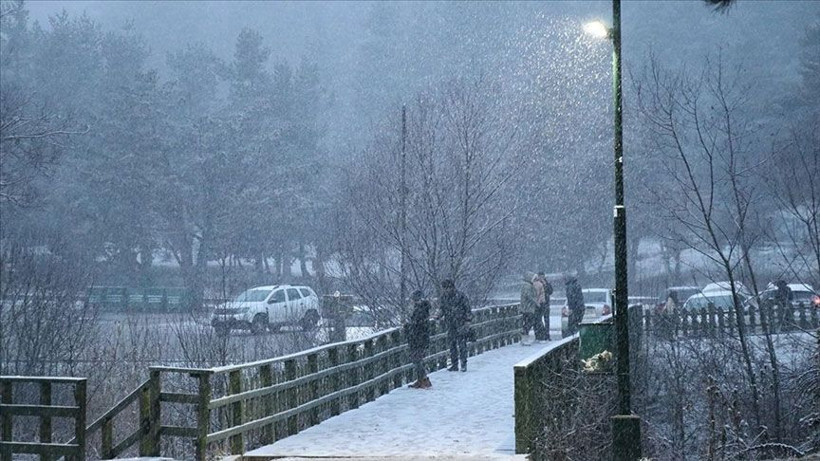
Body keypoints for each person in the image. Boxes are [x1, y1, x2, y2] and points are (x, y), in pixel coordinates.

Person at [439, 279, 472, 372]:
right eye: (444, 289)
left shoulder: (461, 296)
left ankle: (463, 364)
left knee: (462, 344)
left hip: (460, 322)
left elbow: (467, 308)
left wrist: (468, 321)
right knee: (452, 344)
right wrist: (438, 315)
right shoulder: (444, 297)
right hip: (450, 323)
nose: (445, 291)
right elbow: (442, 308)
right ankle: (454, 364)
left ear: (451, 287)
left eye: (446, 288)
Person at [406, 290, 432, 389]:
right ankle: (421, 379)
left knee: (417, 359)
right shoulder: (424, 309)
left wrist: (408, 327)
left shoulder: (420, 310)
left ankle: (423, 379)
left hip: (418, 337)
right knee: (418, 358)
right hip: (421, 337)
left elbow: (417, 324)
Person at [534, 272, 553, 341]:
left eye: (543, 276)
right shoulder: (536, 283)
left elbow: (550, 291)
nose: (541, 278)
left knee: (546, 320)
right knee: (538, 320)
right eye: (540, 276)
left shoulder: (547, 283)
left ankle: (547, 334)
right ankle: (539, 334)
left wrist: (545, 285)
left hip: (546, 304)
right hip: (538, 304)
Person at [520, 272, 538, 345]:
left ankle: (524, 338)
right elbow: (529, 296)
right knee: (528, 323)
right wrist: (535, 302)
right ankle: (524, 339)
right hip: (528, 308)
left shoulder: (527, 285)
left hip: (526, 307)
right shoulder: (527, 286)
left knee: (527, 323)